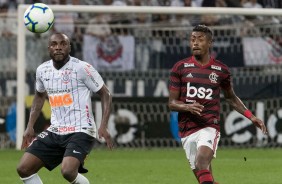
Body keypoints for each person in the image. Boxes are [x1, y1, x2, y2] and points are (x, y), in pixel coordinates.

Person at [168, 25, 267, 184]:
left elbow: (231, 98)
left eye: (200, 39)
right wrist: (188, 106)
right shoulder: (180, 68)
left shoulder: (221, 70)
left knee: (201, 163)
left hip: (209, 126)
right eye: (193, 39)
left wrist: (251, 116)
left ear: (210, 43)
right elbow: (171, 103)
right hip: (187, 129)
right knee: (206, 179)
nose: (195, 43)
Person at [16, 32, 113, 184]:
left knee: (67, 171)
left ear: (69, 47)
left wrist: (103, 125)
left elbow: (105, 93)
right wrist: (30, 126)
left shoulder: (82, 68)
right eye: (54, 44)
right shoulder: (42, 70)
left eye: (63, 44)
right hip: (56, 130)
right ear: (49, 48)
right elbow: (39, 96)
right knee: (24, 168)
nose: (58, 47)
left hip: (81, 129)